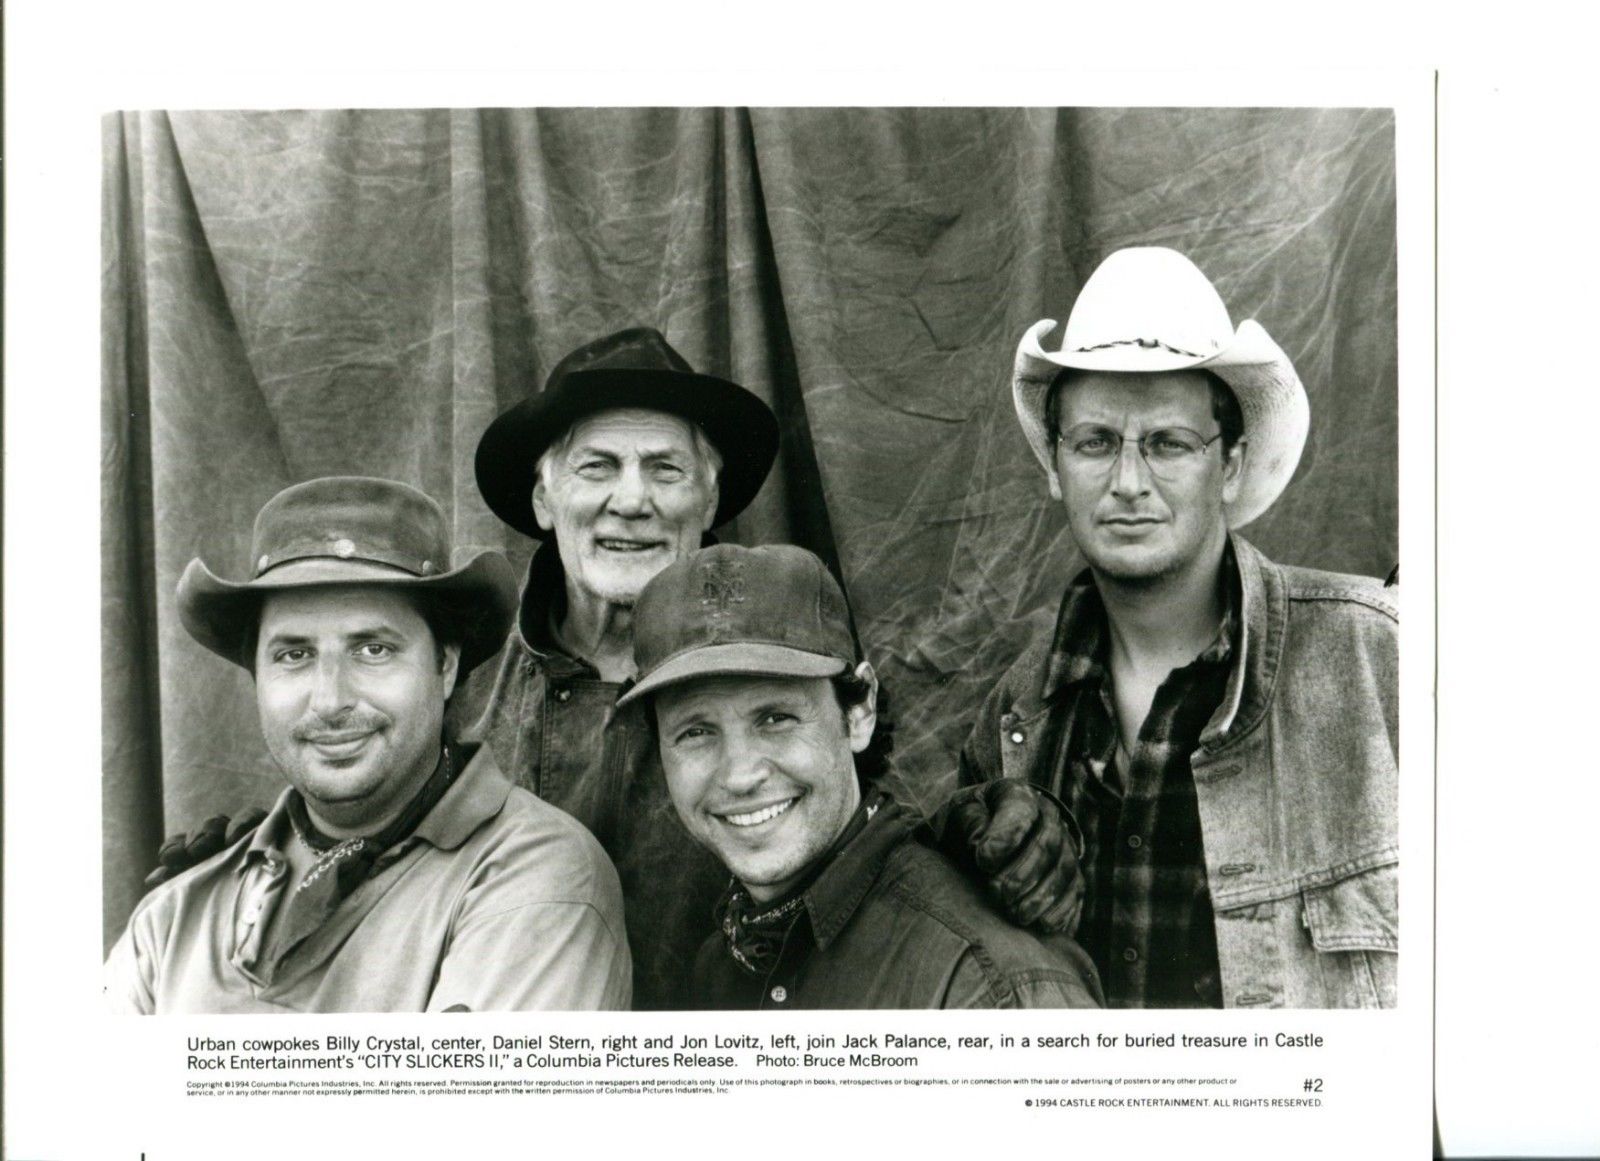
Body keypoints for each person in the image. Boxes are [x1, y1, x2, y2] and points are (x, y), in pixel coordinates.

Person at [456, 326, 1082, 1007]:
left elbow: (872, 847)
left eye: (665, 468)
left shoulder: (789, 652)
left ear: (712, 497)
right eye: (597, 467)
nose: (632, 500)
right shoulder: (469, 692)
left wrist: (987, 832)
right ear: (545, 499)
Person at [960, 247, 1398, 1009]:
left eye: (1167, 443)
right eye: (1096, 441)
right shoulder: (1012, 721)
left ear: (1228, 465)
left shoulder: (1378, 658)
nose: (1129, 482)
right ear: (1055, 466)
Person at [105, 477, 631, 1013]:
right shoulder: (171, 921)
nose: (330, 700)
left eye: (373, 649)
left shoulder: (537, 875)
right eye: (293, 655)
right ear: (256, 677)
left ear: (444, 665)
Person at [616, 543, 1103, 1009]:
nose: (740, 775)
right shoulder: (722, 964)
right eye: (696, 732)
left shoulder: (983, 980)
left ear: (860, 710)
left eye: (775, 718)